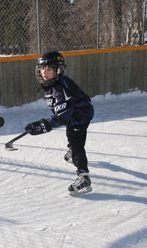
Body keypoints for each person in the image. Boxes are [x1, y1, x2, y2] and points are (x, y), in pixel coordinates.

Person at [25, 51, 94, 193]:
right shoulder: (52, 83)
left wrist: (45, 125)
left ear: (58, 70)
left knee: (77, 144)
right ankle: (71, 149)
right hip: (73, 116)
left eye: (49, 69)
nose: (44, 72)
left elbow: (62, 116)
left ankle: (84, 177)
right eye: (43, 68)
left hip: (80, 116)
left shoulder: (60, 88)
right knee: (70, 133)